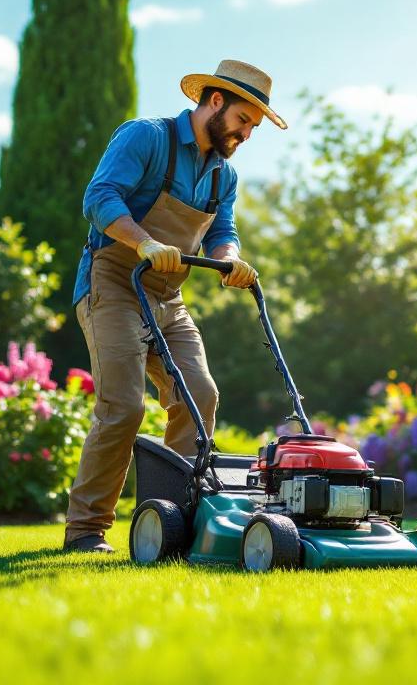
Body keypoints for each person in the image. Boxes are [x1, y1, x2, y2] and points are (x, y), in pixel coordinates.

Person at [63, 60, 287, 553]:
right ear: (215, 102)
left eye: (253, 126)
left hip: (168, 296)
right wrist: (143, 243)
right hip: (114, 284)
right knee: (122, 406)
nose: (248, 133)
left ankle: (176, 525)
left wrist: (231, 262)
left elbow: (222, 234)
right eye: (244, 120)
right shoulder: (145, 138)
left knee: (199, 397)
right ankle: (86, 529)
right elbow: (99, 197)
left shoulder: (222, 176)